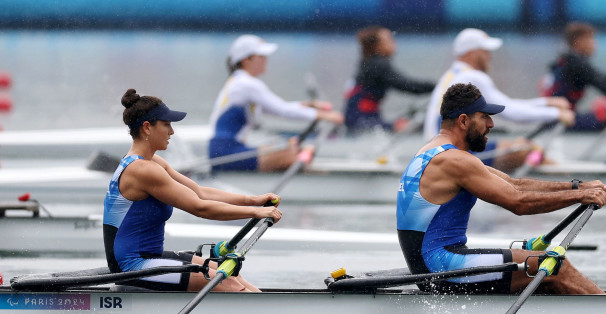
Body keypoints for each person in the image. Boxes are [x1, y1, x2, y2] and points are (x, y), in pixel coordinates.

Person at [398, 83, 606, 295]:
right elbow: (518, 202)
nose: (491, 124)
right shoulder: (454, 161)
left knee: (543, 275)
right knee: (556, 267)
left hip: (434, 265)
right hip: (441, 267)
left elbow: (514, 184)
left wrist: (577, 186)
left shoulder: (434, 151)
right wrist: (580, 196)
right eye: (484, 117)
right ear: (463, 120)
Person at [104, 88, 283, 292]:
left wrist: (253, 200)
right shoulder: (141, 170)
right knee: (225, 280)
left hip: (150, 256)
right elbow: (200, 208)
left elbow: (200, 192)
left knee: (228, 271)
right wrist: (256, 213)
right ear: (147, 128)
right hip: (132, 265)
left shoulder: (153, 162)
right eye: (166, 125)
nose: (172, 131)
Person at [423, 28, 575, 172]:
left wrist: (546, 103)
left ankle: (554, 172)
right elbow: (510, 112)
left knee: (525, 146)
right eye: (485, 51)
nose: (490, 56)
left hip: (438, 148)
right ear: (471, 53)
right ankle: (567, 179)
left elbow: (507, 104)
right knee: (527, 150)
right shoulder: (472, 77)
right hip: (450, 153)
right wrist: (556, 114)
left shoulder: (453, 74)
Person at [209, 34, 343, 172]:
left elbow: (278, 107)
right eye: (261, 56)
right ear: (245, 60)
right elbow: (283, 110)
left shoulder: (239, 81)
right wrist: (326, 116)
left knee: (295, 150)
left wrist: (310, 106)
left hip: (224, 150)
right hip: (227, 153)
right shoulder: (246, 84)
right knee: (296, 153)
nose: (266, 60)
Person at [344, 26, 436, 135]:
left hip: (359, 119)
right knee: (416, 126)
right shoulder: (378, 65)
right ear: (377, 46)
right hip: (362, 122)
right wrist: (439, 86)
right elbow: (408, 85)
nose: (394, 43)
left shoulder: (368, 62)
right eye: (390, 39)